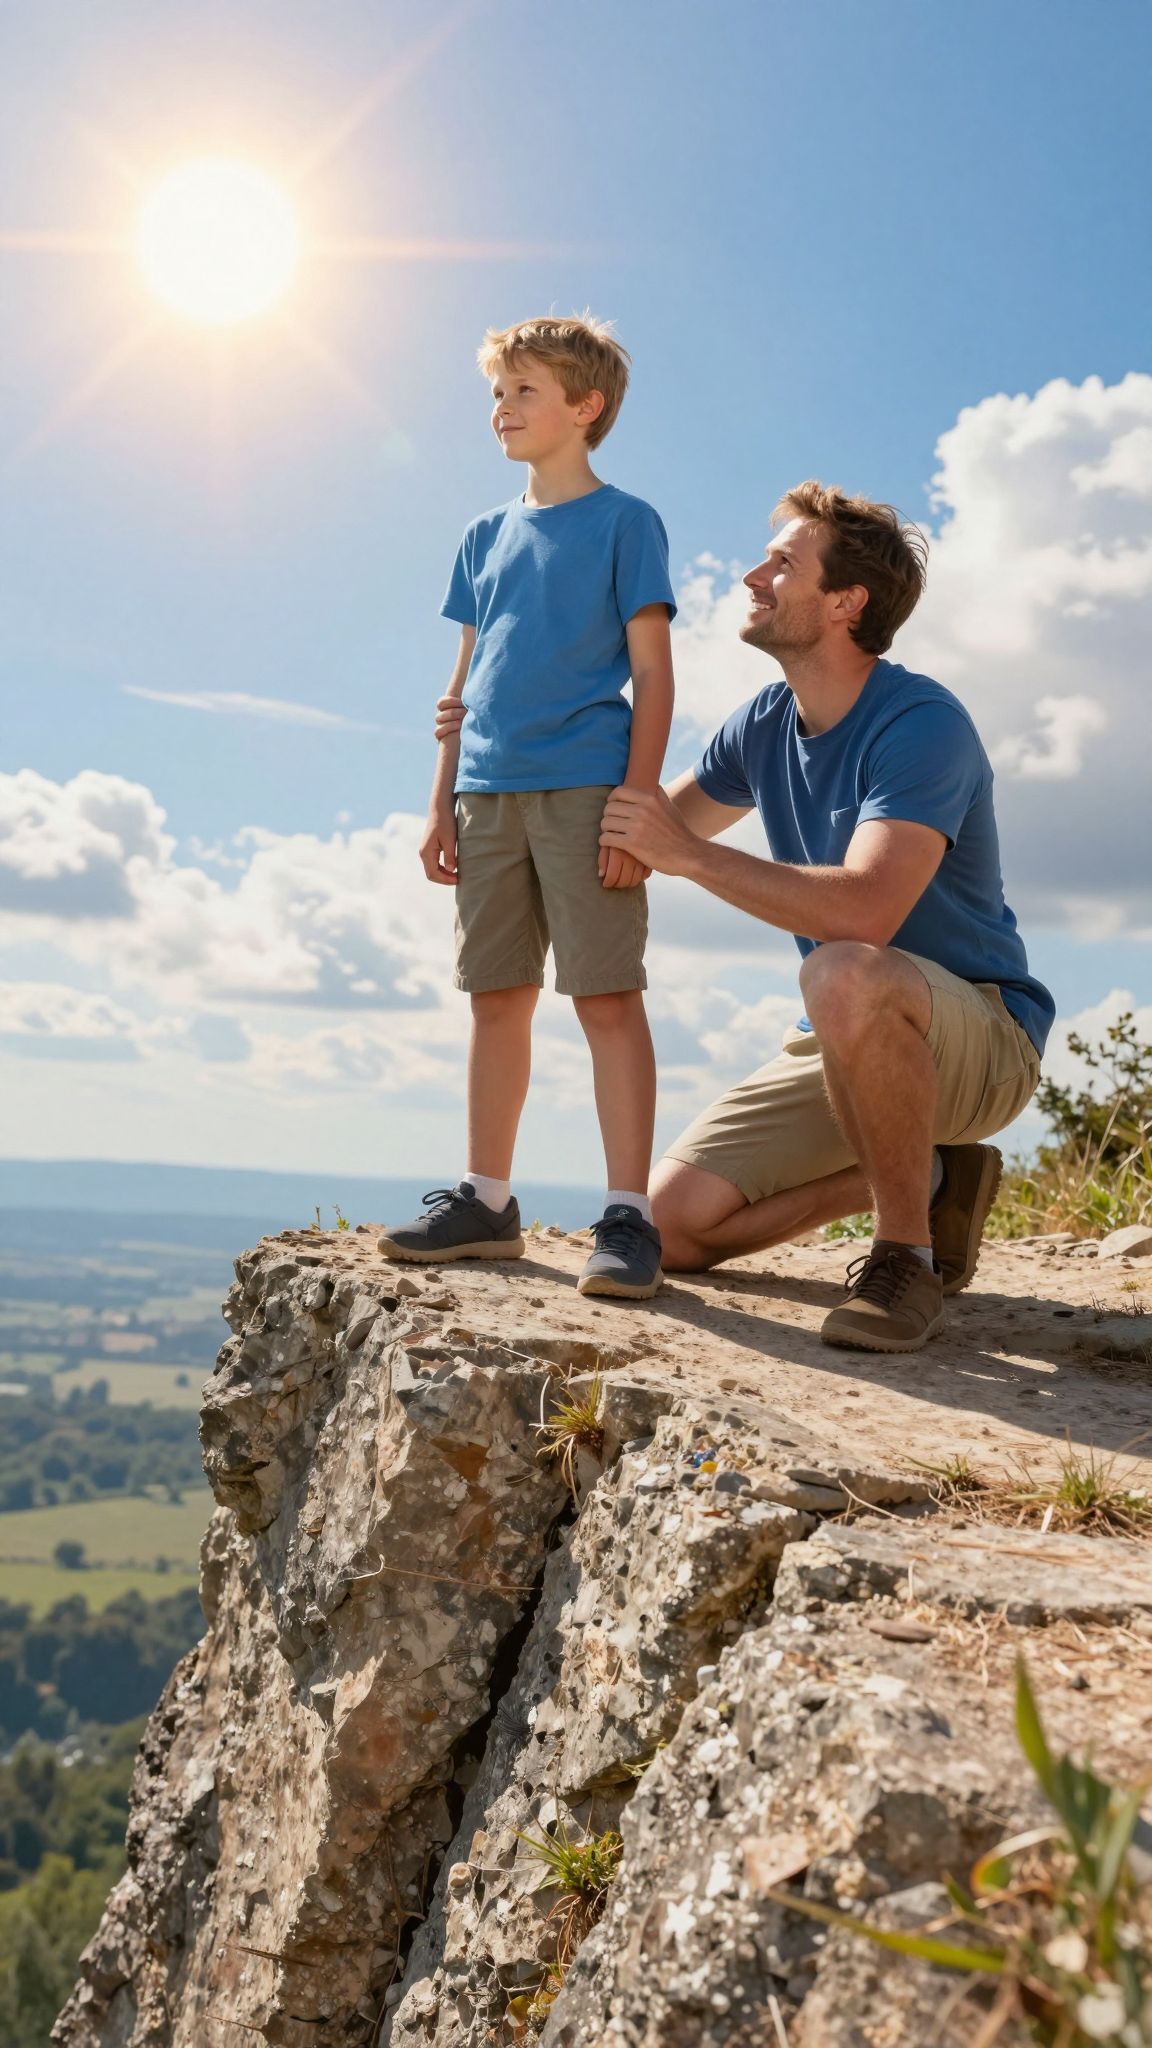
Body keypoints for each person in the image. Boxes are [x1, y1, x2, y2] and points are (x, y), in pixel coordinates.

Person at [598, 481, 1053, 1353]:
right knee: (674, 1227)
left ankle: (903, 1259)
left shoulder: (923, 725)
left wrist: (685, 855)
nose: (751, 575)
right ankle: (927, 1176)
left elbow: (869, 910)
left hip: (983, 1035)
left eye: (783, 564)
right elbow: (651, 831)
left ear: (847, 602)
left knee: (841, 965)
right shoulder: (765, 723)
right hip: (848, 1032)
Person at [378, 314, 676, 1300]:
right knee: (495, 993)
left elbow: (654, 675)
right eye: (497, 395)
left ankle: (629, 1215)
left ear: (584, 408)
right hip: (486, 791)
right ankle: (487, 1199)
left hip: (588, 786)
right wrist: (439, 801)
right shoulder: (482, 534)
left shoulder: (627, 522)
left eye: (523, 392)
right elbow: (461, 684)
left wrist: (638, 805)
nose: (501, 410)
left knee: (605, 995)